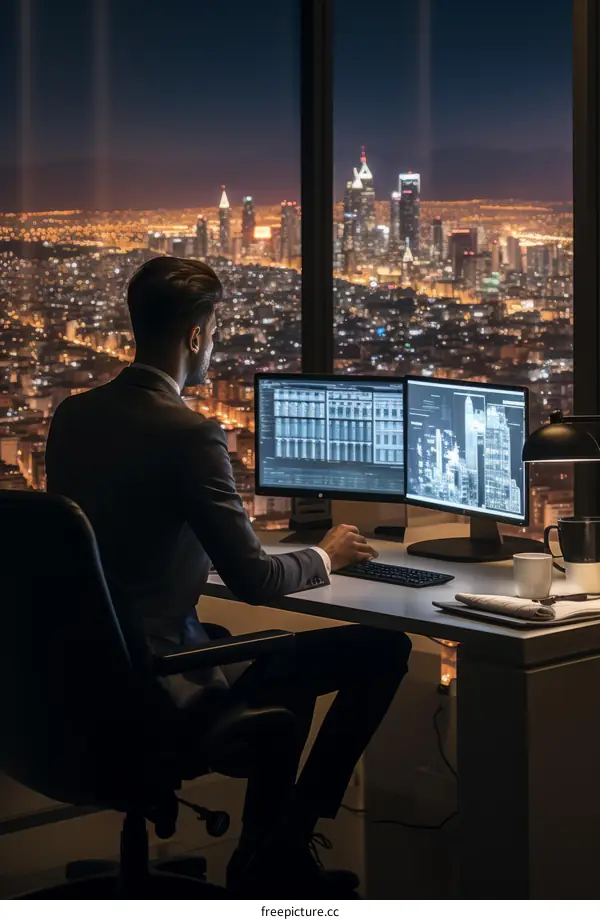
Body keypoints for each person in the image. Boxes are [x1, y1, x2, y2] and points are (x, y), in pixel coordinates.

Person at [45, 256, 411, 896]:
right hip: (156, 677)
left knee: (284, 671)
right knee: (384, 649)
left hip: (81, 675)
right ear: (194, 336)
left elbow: (116, 538)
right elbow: (256, 583)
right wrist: (327, 553)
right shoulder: (190, 433)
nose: (214, 345)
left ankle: (268, 854)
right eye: (214, 333)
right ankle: (284, 844)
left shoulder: (73, 416)